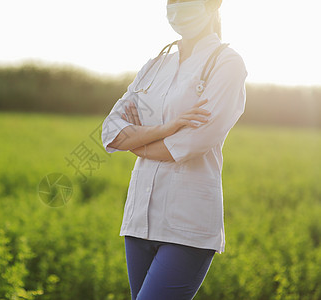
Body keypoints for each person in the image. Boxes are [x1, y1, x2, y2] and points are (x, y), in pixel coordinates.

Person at [100, 0, 247, 299]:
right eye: (172, 2)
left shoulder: (226, 63)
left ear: (210, 7)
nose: (178, 8)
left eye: (186, 1)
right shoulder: (156, 64)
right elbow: (112, 129)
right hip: (139, 220)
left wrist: (138, 144)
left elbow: (196, 139)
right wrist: (166, 129)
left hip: (187, 225)